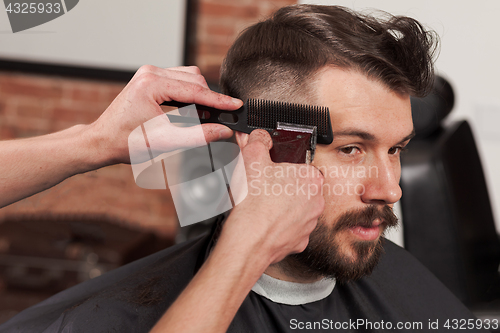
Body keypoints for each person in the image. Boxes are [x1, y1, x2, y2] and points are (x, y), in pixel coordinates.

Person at [0, 4, 490, 333]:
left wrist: (95, 142)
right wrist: (246, 246)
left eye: (396, 149)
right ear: (262, 146)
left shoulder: (414, 300)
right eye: (350, 149)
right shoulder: (102, 317)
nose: (390, 189)